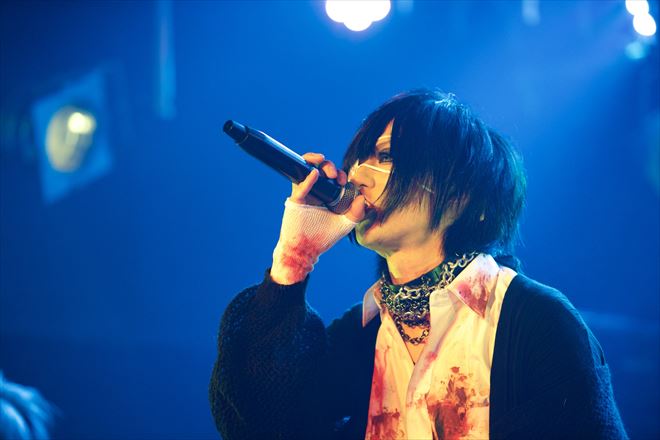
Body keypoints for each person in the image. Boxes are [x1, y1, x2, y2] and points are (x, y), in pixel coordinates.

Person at [209, 89, 628, 439]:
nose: (358, 176)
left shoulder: (535, 319)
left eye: (386, 156)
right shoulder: (363, 333)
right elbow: (259, 424)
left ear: (463, 195)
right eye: (358, 160)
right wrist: (294, 257)